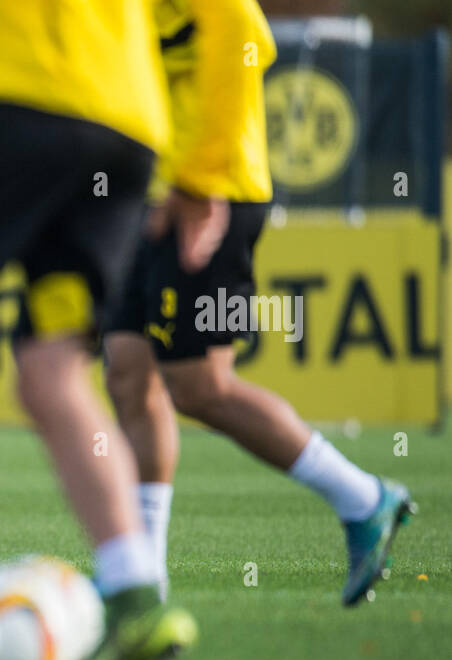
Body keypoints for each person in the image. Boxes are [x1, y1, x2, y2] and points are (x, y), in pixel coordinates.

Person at [0, 0, 213, 660]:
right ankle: (136, 594)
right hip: (130, 130)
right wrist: (198, 169)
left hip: (37, 102)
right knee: (51, 370)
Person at [102, 0, 412, 606]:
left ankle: (364, 499)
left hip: (212, 198)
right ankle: (145, 574)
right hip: (151, 196)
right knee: (127, 371)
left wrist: (200, 180)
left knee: (200, 386)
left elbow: (246, 36)